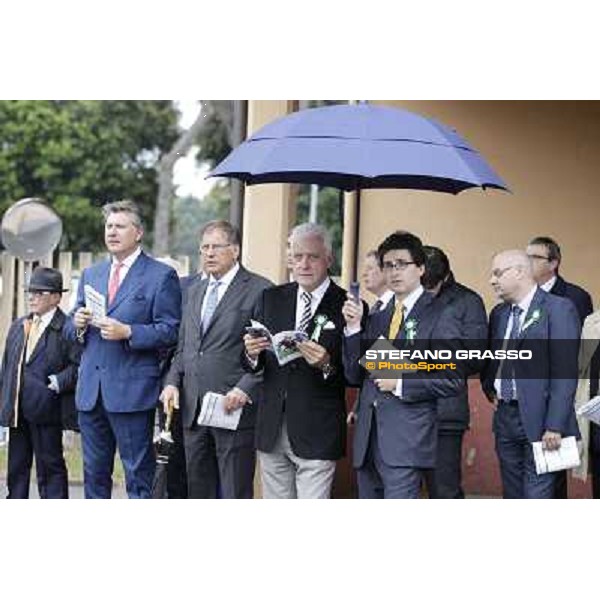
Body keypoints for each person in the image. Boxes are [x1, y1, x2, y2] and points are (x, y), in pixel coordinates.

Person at [65, 200, 181, 499]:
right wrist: (77, 322)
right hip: (91, 392)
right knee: (94, 476)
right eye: (108, 226)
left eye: (120, 226)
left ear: (138, 233)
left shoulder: (160, 275)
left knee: (138, 476)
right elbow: (70, 328)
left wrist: (129, 331)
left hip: (132, 392)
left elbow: (170, 330)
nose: (112, 232)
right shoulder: (92, 274)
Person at [342, 231, 464, 499]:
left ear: (420, 268)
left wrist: (401, 382)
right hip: (368, 438)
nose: (394, 272)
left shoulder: (442, 313)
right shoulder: (378, 315)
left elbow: (451, 378)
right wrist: (353, 329)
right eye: (388, 265)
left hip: (406, 439)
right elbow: (354, 375)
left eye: (402, 264)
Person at [244, 223, 360, 499]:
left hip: (317, 429)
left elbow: (356, 372)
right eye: (298, 257)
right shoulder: (270, 298)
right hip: (272, 427)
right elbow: (250, 362)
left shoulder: (347, 304)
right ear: (289, 260)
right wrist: (251, 352)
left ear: (329, 260)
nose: (304, 264)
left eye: (313, 256)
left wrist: (326, 364)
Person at [162, 220, 272, 499]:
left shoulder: (260, 289)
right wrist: (172, 383)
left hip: (232, 408)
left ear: (235, 250)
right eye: (204, 248)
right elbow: (183, 348)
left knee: (234, 492)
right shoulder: (193, 291)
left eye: (216, 247)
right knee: (199, 492)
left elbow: (268, 351)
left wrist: (244, 388)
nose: (209, 253)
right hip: (193, 409)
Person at [481, 250, 580, 499]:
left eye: (497, 273)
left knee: (537, 495)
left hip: (543, 419)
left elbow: (565, 372)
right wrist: (492, 390)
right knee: (512, 494)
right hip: (505, 416)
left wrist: (555, 424)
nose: (492, 281)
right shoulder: (500, 314)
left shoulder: (558, 308)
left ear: (520, 272)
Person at [0, 267, 81, 498]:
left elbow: (79, 366)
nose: (32, 297)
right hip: (17, 412)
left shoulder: (67, 328)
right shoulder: (19, 326)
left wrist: (56, 382)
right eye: (30, 292)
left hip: (48, 411)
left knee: (50, 467)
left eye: (40, 292)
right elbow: (7, 366)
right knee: (16, 468)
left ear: (56, 297)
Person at [526, 236, 593, 498]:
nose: (527, 262)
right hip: (527, 395)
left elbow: (582, 350)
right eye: (526, 256)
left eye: (535, 257)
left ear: (553, 263)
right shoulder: (521, 297)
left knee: (554, 470)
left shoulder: (575, 297)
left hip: (561, 393)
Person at [421, 246, 488, 499]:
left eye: (430, 287)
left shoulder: (468, 302)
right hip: (399, 411)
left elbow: (475, 357)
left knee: (444, 490)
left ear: (445, 276)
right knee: (397, 489)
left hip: (444, 411)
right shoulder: (399, 296)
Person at [361, 249, 394, 314]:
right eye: (365, 269)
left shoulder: (399, 306)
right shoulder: (374, 308)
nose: (364, 274)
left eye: (369, 268)